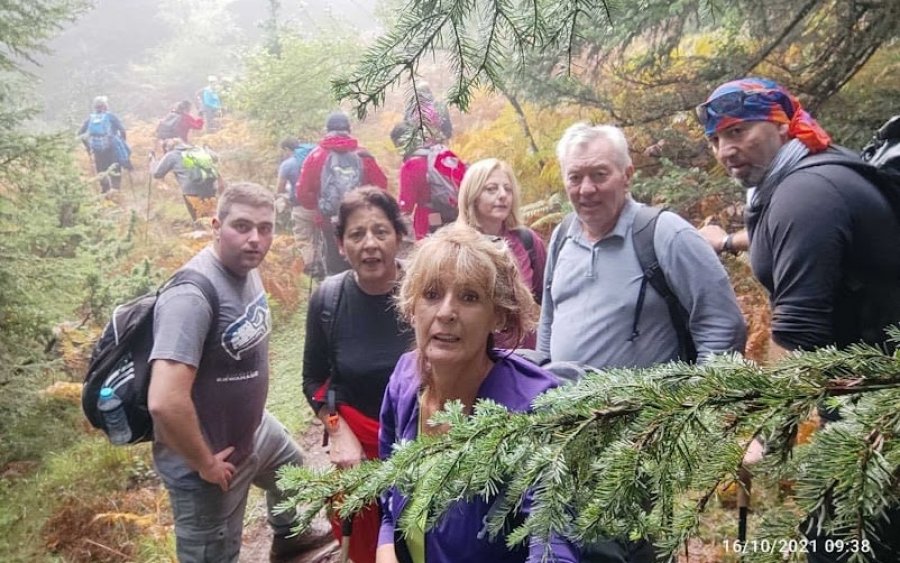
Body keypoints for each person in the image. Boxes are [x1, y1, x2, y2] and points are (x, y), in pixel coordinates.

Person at [698, 76, 900, 563]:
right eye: (717, 138)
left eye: (741, 131)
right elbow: (785, 237)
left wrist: (765, 434)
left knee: (837, 545)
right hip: (865, 394)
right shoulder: (804, 176)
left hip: (876, 420)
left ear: (782, 126)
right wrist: (727, 241)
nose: (727, 149)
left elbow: (799, 333)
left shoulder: (803, 195)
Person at [147, 183, 332, 562]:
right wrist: (205, 464)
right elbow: (164, 401)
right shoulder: (191, 296)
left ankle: (287, 537)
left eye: (265, 229)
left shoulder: (246, 269)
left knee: (291, 466)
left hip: (253, 431)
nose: (255, 239)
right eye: (242, 226)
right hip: (208, 458)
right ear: (217, 225)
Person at [377, 224, 579, 563]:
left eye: (469, 297)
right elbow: (388, 488)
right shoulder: (404, 381)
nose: (446, 312)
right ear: (412, 308)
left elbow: (552, 541)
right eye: (431, 294)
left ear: (498, 316)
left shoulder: (534, 408)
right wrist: (386, 547)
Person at [539, 122, 746, 369]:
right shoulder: (562, 237)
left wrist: (697, 399)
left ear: (627, 176)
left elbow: (722, 325)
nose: (586, 189)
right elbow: (549, 321)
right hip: (562, 405)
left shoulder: (665, 233)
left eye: (599, 175)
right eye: (575, 177)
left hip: (650, 406)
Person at [302, 187, 413, 563]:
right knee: (368, 549)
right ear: (341, 243)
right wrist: (337, 430)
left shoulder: (425, 291)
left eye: (381, 232)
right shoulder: (328, 300)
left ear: (398, 236)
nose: (370, 244)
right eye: (356, 234)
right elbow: (315, 381)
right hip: (357, 452)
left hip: (424, 439)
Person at [456, 158, 546, 349]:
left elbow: (548, 297)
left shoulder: (526, 240)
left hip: (524, 357)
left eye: (508, 189)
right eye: (491, 189)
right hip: (473, 358)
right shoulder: (455, 246)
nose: (503, 195)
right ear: (473, 195)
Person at [295, 112, 388, 277]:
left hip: (328, 221)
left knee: (334, 264)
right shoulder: (362, 155)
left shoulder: (316, 156)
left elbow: (302, 192)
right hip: (361, 219)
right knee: (361, 258)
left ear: (327, 130)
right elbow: (381, 185)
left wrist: (319, 206)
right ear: (349, 130)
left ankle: (337, 296)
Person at [395, 128, 466, 241]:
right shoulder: (442, 155)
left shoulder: (411, 165)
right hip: (454, 213)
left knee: (430, 251)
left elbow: (406, 207)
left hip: (427, 218)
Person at [152, 138, 224, 224]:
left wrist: (153, 161)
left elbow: (157, 174)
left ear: (167, 148)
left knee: (199, 220)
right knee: (213, 216)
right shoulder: (198, 150)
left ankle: (203, 233)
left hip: (191, 191)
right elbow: (215, 160)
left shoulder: (171, 155)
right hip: (210, 188)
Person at [78, 96, 131, 193]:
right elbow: (122, 130)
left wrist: (88, 148)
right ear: (105, 106)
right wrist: (123, 142)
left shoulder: (90, 118)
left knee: (102, 172)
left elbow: (80, 133)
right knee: (115, 171)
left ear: (95, 107)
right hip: (112, 149)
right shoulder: (110, 117)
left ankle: (105, 193)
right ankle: (116, 193)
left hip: (97, 151)